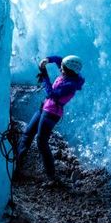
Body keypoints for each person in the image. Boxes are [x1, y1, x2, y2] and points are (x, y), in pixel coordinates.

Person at [16, 54, 85, 185]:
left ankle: (51, 176)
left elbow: (52, 94)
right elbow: (59, 60)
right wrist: (48, 60)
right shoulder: (68, 73)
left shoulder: (70, 84)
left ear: (70, 70)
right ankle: (17, 164)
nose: (60, 69)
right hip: (44, 108)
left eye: (63, 69)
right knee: (27, 134)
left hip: (52, 113)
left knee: (41, 141)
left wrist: (45, 76)